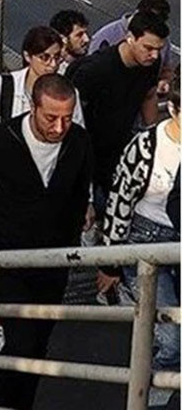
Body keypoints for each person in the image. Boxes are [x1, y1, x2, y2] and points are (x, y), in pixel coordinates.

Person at [0, 75, 95, 409]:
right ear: (33, 107)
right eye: (51, 117)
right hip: (9, 260)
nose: (60, 126)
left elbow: (80, 192)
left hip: (54, 262)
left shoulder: (78, 141)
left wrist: (71, 239)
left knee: (38, 345)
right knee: (22, 341)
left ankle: (20, 402)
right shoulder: (0, 139)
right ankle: (0, 397)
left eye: (67, 117)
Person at [97, 79, 179, 410]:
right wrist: (109, 262)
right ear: (173, 108)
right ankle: (157, 387)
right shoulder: (146, 146)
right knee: (172, 335)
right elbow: (119, 201)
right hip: (147, 237)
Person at [71, 11, 169, 216]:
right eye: (148, 48)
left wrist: (152, 136)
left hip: (119, 151)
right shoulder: (95, 70)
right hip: (87, 153)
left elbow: (149, 96)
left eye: (159, 49)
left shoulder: (150, 65)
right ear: (130, 38)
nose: (154, 55)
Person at [0, 26, 86, 142]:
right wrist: (2, 143)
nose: (53, 64)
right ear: (28, 56)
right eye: (44, 58)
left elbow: (77, 134)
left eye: (56, 57)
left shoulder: (68, 93)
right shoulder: (1, 86)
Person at [50, 9, 90, 73]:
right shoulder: (51, 69)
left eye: (86, 33)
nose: (86, 39)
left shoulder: (90, 65)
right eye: (79, 35)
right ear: (63, 39)